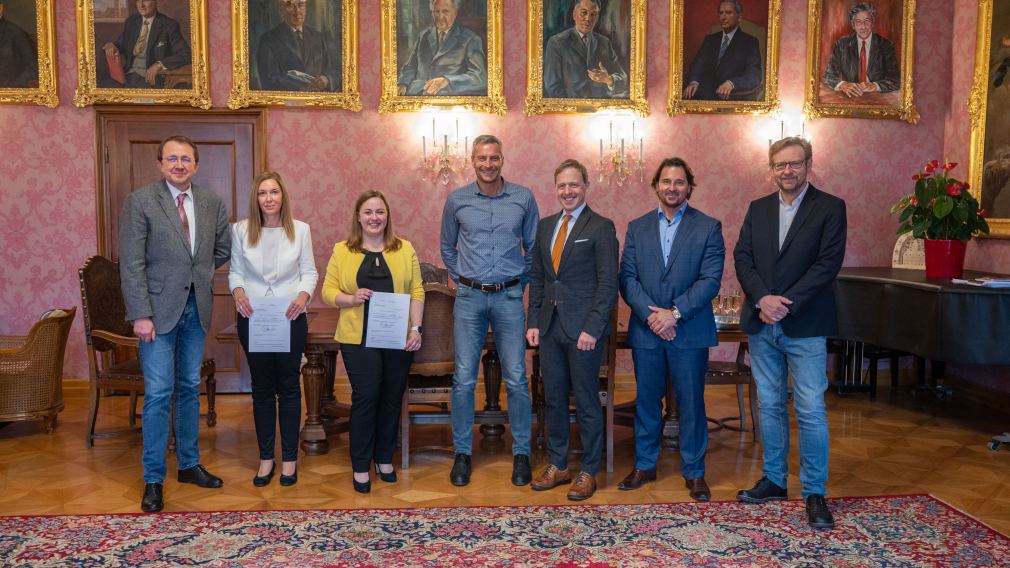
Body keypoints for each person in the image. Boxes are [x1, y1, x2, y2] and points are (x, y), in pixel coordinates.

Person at [734, 136, 847, 529]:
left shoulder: (830, 208)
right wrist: (764, 299)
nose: (787, 171)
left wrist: (784, 302)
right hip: (762, 323)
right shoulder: (758, 208)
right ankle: (775, 481)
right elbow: (742, 257)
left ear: (809, 165)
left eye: (794, 164)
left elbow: (827, 265)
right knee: (769, 405)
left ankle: (815, 492)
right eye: (780, 165)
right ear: (771, 168)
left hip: (805, 324)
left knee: (811, 410)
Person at [119, 135, 230, 513]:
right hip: (156, 313)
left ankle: (188, 465)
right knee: (159, 392)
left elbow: (222, 249)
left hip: (196, 308)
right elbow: (131, 262)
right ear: (160, 164)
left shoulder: (213, 202)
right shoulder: (141, 201)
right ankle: (153, 478)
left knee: (187, 386)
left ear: (196, 165)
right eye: (172, 159)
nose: (179, 164)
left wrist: (196, 274)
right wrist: (140, 314)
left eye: (186, 158)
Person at [617, 157, 724, 501]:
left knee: (691, 401)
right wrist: (652, 317)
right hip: (647, 330)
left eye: (679, 182)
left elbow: (710, 280)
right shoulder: (637, 227)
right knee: (647, 400)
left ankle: (694, 472)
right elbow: (627, 278)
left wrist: (673, 314)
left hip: (688, 331)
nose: (672, 188)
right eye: (666, 181)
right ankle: (645, 465)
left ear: (689, 186)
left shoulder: (708, 227)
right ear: (656, 186)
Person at [440, 134, 539, 487]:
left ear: (502, 159)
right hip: (468, 298)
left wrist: (517, 284)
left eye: (493, 158)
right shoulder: (457, 200)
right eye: (481, 158)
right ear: (472, 160)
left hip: (510, 298)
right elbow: (447, 248)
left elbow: (533, 249)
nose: (488, 164)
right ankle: (463, 453)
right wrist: (464, 280)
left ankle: (522, 453)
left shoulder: (523, 198)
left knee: (516, 376)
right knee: (464, 377)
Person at [526, 159, 618, 501]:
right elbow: (538, 278)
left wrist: (593, 327)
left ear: (586, 186)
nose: (568, 191)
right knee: (553, 401)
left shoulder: (601, 227)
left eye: (574, 185)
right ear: (555, 188)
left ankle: (589, 470)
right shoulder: (546, 226)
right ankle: (559, 464)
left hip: (584, 333)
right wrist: (533, 321)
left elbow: (608, 284)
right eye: (562, 185)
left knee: (586, 400)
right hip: (549, 329)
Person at [322, 190, 424, 494]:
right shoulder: (343, 250)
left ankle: (383, 458)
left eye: (380, 212)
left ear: (387, 216)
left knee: (392, 396)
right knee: (366, 396)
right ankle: (360, 464)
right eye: (368, 212)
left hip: (397, 337)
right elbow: (328, 292)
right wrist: (350, 298)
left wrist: (416, 328)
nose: (374, 217)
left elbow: (417, 291)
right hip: (358, 338)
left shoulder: (405, 249)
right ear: (358, 217)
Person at [229, 172, 318, 488]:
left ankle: (290, 461)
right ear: (256, 198)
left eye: (274, 192)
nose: (268, 198)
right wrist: (238, 292)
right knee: (262, 389)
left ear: (283, 196)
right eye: (262, 193)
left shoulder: (301, 231)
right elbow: (235, 272)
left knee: (290, 388)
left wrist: (302, 296)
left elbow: (309, 272)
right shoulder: (240, 230)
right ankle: (266, 458)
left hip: (290, 316)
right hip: (253, 317)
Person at [396, 0, 487, 96]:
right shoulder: (424, 36)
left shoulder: (470, 39)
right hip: (416, 96)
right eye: (436, 11)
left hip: (447, 100)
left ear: (455, 13)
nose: (440, 17)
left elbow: (480, 77)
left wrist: (447, 80)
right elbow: (410, 66)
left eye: (445, 11)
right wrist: (403, 83)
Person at [543, 0, 628, 99]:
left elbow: (623, 79)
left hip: (600, 109)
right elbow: (552, 86)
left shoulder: (604, 42)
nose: (588, 18)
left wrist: (609, 80)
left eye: (593, 15)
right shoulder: (557, 42)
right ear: (574, 14)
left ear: (597, 18)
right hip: (570, 110)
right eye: (584, 13)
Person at [683, 0, 762, 101]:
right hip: (702, 93)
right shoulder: (710, 40)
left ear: (740, 17)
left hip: (730, 97)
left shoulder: (750, 42)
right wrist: (694, 81)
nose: (723, 17)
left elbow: (754, 76)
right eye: (721, 13)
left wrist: (732, 83)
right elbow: (698, 65)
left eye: (728, 13)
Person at [101, 0, 191, 88]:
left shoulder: (169, 25)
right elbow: (121, 44)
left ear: (156, 2)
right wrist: (112, 45)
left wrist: (159, 64)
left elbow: (186, 54)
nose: (141, 5)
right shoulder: (131, 22)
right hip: (126, 76)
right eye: (138, 1)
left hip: (150, 80)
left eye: (146, 0)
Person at [257, 0, 340, 92]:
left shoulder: (318, 38)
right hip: (287, 102)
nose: (297, 12)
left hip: (317, 100)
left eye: (301, 5)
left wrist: (327, 79)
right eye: (290, 6)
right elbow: (268, 79)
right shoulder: (268, 39)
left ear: (306, 8)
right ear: (281, 11)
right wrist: (299, 89)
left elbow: (334, 70)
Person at [821, 2, 899, 98]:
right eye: (858, 22)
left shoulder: (886, 45)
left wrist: (875, 85)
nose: (863, 27)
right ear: (853, 25)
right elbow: (828, 77)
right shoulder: (841, 45)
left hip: (878, 99)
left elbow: (896, 80)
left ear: (872, 22)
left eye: (867, 21)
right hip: (849, 98)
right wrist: (843, 85)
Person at [0, 1, 38, 88]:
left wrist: (9, 86)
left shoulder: (17, 34)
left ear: (0, 9)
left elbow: (33, 68)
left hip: (10, 91)